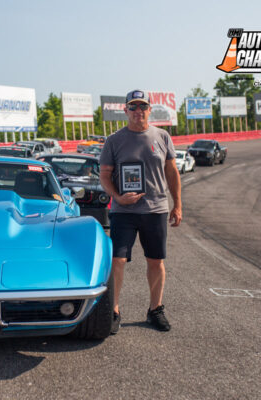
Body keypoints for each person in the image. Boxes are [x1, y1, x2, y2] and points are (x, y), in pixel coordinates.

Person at [99, 89, 182, 333]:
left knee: (156, 261)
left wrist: (177, 204)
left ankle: (155, 309)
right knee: (117, 260)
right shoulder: (114, 140)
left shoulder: (162, 136)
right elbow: (104, 175)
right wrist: (117, 197)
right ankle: (113, 310)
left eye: (142, 106)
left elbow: (172, 172)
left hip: (155, 209)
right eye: (133, 107)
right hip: (123, 211)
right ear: (125, 110)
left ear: (149, 109)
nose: (138, 111)